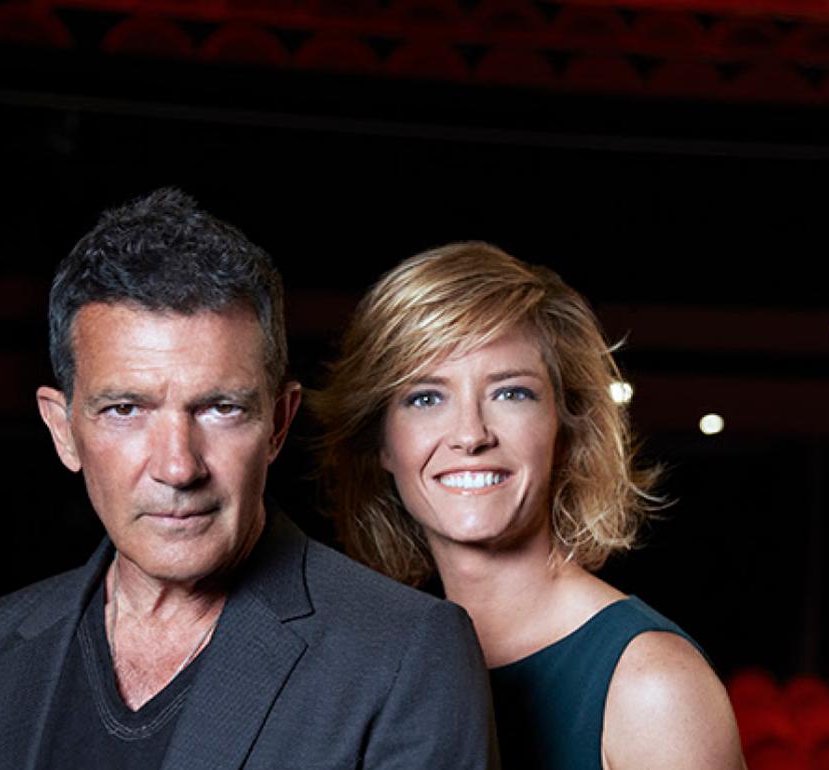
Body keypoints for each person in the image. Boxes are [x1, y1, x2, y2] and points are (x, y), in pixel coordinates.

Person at [0, 190, 499, 770]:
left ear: (278, 424)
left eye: (220, 408)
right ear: (63, 430)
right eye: (125, 410)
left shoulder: (404, 654)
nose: (178, 467)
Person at [313, 242, 745, 770]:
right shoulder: (379, 670)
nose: (470, 435)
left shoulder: (652, 684)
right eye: (426, 397)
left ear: (564, 429)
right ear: (382, 443)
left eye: (510, 393)